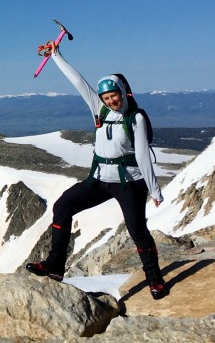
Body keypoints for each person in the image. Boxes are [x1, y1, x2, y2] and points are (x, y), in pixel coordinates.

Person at [26, 40, 168, 299]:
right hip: (99, 179)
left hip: (129, 182)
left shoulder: (135, 118)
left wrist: (154, 190)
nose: (111, 100)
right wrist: (56, 55)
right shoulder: (99, 108)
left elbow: (142, 156)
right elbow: (78, 82)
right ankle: (55, 267)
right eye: (106, 97)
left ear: (123, 92)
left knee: (137, 230)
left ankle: (155, 280)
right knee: (62, 208)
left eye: (114, 95)